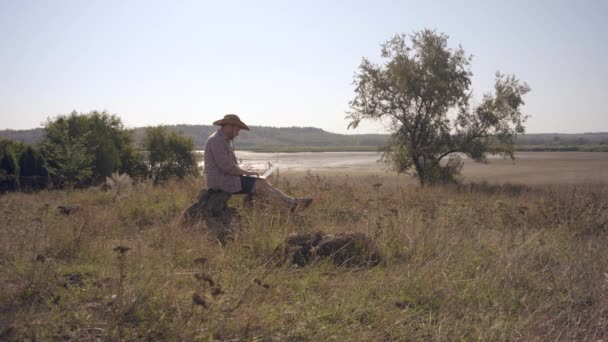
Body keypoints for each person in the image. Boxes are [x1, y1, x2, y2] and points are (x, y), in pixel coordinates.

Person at [204, 114, 313, 212]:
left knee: (261, 182)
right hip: (221, 182)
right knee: (258, 183)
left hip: (227, 179)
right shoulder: (216, 141)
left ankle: (292, 203)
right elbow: (227, 167)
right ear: (230, 126)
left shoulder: (222, 140)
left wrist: (246, 173)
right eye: (238, 129)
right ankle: (291, 206)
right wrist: (247, 172)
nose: (238, 133)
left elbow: (229, 166)